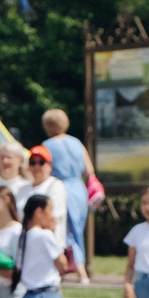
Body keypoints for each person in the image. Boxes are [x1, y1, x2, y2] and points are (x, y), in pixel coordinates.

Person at [41, 107, 92, 269]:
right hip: (79, 188)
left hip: (60, 188)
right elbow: (89, 170)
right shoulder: (77, 142)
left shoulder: (47, 145)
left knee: (65, 230)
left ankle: (73, 268)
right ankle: (82, 270)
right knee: (78, 230)